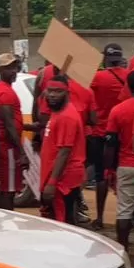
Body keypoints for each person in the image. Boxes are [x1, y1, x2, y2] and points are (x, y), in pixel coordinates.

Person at [38, 72, 88, 225]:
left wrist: (52, 183)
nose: (53, 95)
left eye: (58, 91)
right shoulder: (58, 112)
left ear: (67, 93)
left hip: (62, 179)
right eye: (50, 90)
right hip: (55, 176)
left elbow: (64, 152)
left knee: (62, 223)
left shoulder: (67, 117)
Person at [106, 69, 134, 250]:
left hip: (126, 166)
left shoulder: (117, 110)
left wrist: (109, 168)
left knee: (124, 210)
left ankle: (123, 247)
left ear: (127, 86)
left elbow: (111, 143)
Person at [89, 45, 129, 225]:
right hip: (122, 134)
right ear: (121, 58)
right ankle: (126, 216)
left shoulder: (98, 77)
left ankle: (99, 218)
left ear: (105, 58)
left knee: (101, 175)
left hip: (100, 132)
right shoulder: (128, 76)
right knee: (123, 175)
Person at [0, 53, 26, 210]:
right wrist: (21, 152)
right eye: (9, 68)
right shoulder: (5, 92)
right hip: (8, 146)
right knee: (8, 190)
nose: (14, 71)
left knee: (7, 188)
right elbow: (9, 125)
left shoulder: (3, 89)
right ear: (0, 70)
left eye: (15, 67)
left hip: (8, 144)